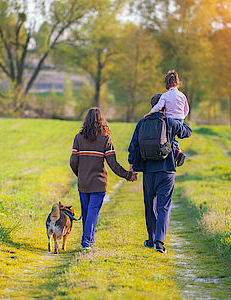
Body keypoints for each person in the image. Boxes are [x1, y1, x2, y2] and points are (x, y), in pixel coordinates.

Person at [129, 94, 192, 253]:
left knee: (149, 206)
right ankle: (159, 241)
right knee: (163, 206)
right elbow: (187, 133)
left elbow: (134, 146)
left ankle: (150, 239)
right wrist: (179, 118)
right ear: (165, 106)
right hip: (167, 170)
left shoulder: (142, 123)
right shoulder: (169, 122)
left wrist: (133, 167)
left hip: (149, 171)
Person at [70, 108, 137, 250]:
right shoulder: (105, 138)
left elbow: (73, 162)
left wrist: (80, 174)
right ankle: (86, 242)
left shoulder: (78, 138)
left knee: (87, 212)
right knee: (92, 212)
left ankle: (89, 239)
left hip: (83, 183)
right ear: (102, 120)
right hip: (99, 183)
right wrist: (128, 175)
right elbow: (113, 164)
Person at [145, 70, 189, 166]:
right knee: (173, 138)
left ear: (166, 83)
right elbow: (186, 109)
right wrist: (182, 117)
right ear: (177, 83)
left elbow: (158, 106)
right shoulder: (182, 95)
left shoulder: (165, 95)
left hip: (169, 120)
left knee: (169, 139)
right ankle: (178, 152)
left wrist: (150, 113)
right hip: (180, 120)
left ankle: (177, 153)